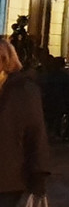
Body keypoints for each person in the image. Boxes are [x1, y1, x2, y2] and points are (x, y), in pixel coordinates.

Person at [0, 38, 49, 207]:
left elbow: (36, 133)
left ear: (4, 59)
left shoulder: (23, 89)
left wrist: (38, 176)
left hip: (7, 177)